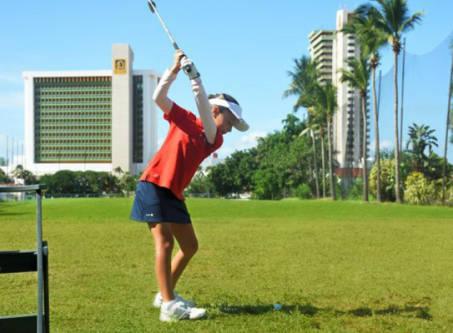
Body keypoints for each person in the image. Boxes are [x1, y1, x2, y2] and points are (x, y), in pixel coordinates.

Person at [130, 50, 249, 322]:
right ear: (217, 110)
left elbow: (205, 115)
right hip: (154, 183)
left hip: (174, 192)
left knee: (190, 245)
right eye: (230, 122)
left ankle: (165, 292)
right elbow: (158, 97)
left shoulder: (213, 137)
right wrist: (175, 71)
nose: (230, 129)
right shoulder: (185, 118)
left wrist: (196, 79)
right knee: (165, 243)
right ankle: (170, 306)